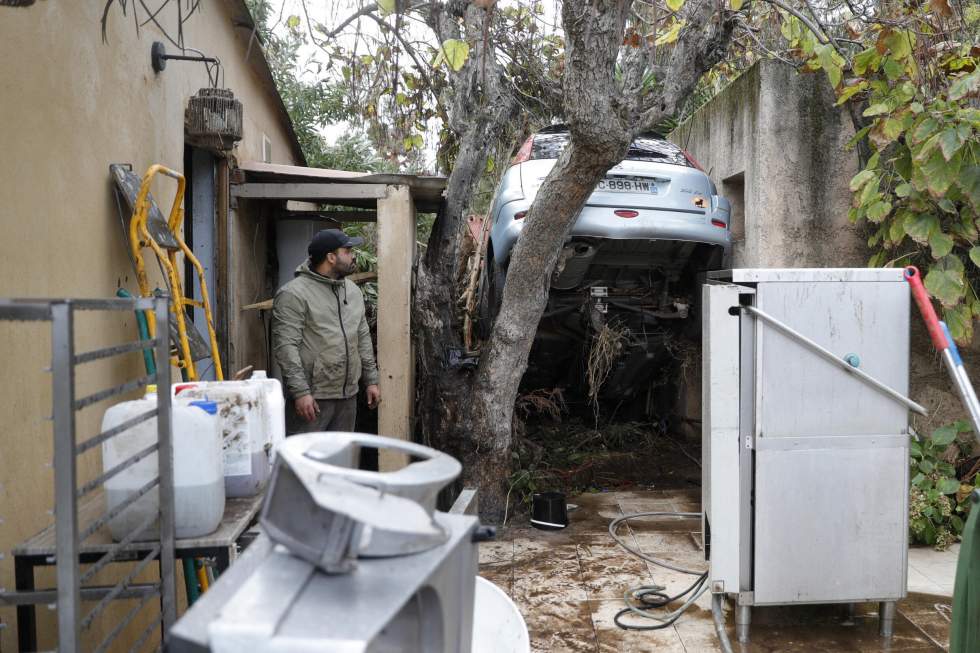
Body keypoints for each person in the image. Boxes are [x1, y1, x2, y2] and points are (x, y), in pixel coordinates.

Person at [272, 228, 381, 434]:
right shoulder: (293, 294)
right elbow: (286, 348)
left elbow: (363, 338)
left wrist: (371, 380)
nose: (353, 255)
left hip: (348, 396)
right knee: (305, 463)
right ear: (331, 257)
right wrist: (300, 392)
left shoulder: (353, 291)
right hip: (313, 398)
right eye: (347, 251)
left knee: (340, 461)